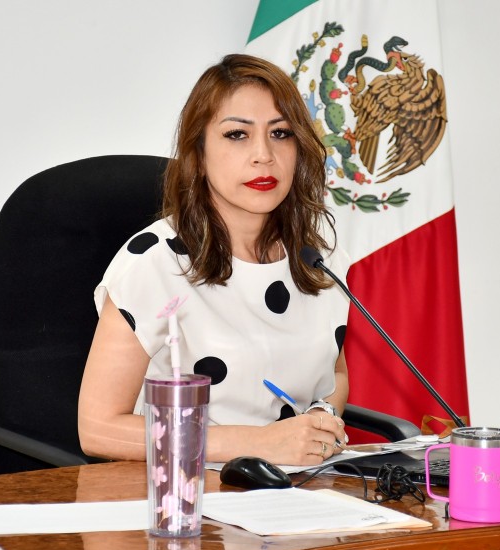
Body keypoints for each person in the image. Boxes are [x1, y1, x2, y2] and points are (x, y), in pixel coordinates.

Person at [78, 54, 350, 466]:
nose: (263, 154)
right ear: (199, 153)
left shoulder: (319, 257)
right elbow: (98, 429)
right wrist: (257, 443)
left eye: (281, 133)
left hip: (295, 485)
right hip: (184, 489)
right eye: (237, 134)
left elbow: (335, 376)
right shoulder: (153, 264)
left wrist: (319, 419)